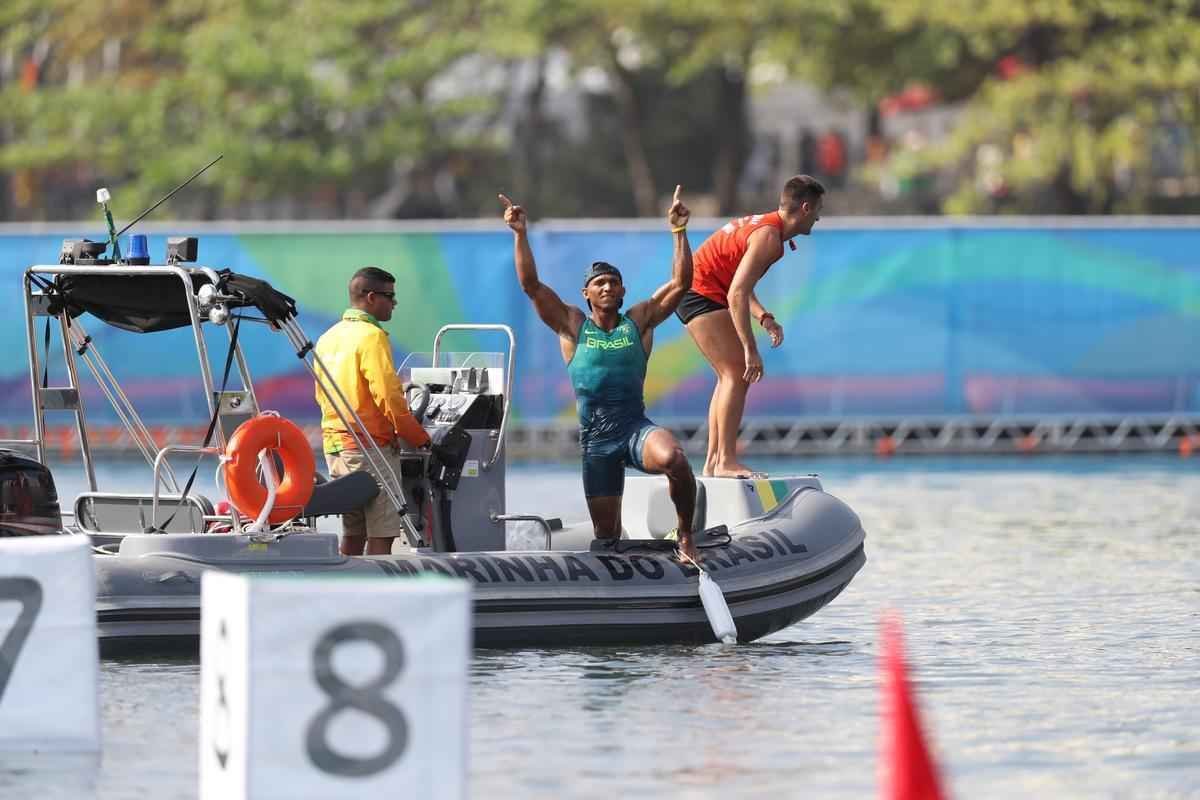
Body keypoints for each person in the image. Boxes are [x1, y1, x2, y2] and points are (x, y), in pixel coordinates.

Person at [499, 186, 699, 560]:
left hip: (634, 428)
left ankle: (686, 535)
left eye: (613, 282)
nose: (606, 287)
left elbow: (681, 285)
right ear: (587, 293)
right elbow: (531, 286)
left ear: (622, 291)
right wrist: (521, 234)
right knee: (606, 534)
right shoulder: (573, 325)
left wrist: (679, 231)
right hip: (597, 442)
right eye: (599, 283)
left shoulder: (638, 321)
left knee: (674, 458)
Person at [676, 174, 825, 478]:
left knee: (727, 377)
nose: (819, 218)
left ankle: (714, 462)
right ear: (806, 207)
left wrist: (763, 317)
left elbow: (736, 281)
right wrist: (750, 349)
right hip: (699, 293)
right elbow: (736, 294)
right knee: (736, 374)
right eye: (819, 210)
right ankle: (725, 461)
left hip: (702, 291)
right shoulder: (769, 237)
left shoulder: (768, 229)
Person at [314, 266, 432, 556]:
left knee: (353, 529)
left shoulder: (328, 337)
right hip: (370, 449)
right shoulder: (372, 336)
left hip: (336, 447)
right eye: (390, 296)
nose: (394, 303)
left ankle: (345, 587)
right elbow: (389, 398)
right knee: (383, 529)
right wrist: (421, 439)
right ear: (370, 297)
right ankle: (375, 594)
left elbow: (321, 395)